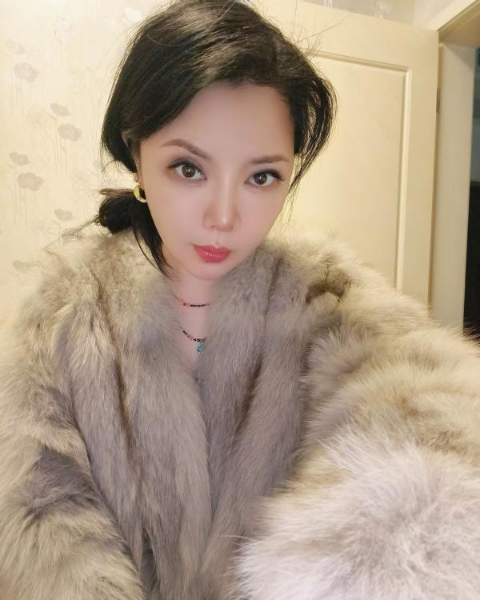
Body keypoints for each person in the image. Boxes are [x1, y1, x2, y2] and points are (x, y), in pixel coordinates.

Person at [1, 0, 480, 599]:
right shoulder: (60, 317)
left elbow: (445, 435)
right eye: (188, 168)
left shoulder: (327, 299)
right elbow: (31, 507)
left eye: (261, 177)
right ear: (137, 157)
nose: (224, 217)